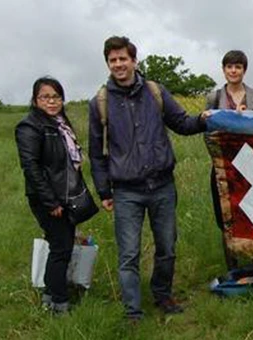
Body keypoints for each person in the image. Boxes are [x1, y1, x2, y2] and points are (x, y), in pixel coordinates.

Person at [88, 36, 211, 321]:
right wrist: (104, 191)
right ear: (108, 63)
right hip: (126, 191)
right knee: (128, 254)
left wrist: (203, 119)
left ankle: (163, 295)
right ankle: (133, 311)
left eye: (123, 58)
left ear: (134, 60)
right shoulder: (100, 103)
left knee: (166, 247)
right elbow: (97, 153)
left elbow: (181, 123)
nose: (118, 64)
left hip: (163, 186)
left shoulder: (155, 92)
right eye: (113, 60)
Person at [16, 77, 92, 314]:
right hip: (48, 198)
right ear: (35, 99)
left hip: (65, 194)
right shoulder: (30, 126)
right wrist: (50, 201)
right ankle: (60, 303)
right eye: (45, 97)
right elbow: (31, 167)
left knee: (62, 244)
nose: (51, 101)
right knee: (61, 247)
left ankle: (50, 294)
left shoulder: (59, 124)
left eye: (56, 97)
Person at [205, 50, 253, 270]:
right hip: (222, 166)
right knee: (225, 217)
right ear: (223, 69)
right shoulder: (213, 97)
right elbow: (207, 132)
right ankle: (232, 266)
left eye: (238, 67)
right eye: (229, 67)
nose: (233, 71)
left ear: (244, 70)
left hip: (252, 167)